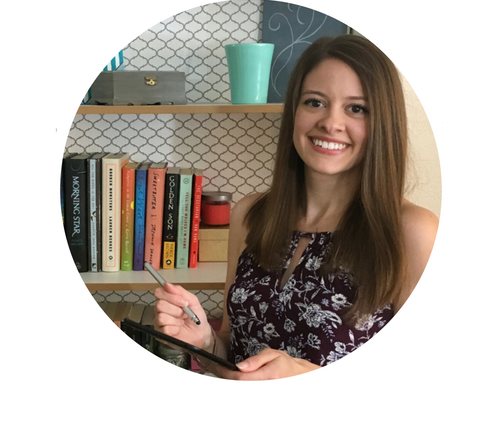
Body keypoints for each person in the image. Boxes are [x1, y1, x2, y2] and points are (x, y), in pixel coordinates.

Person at [153, 34, 439, 380]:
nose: (331, 123)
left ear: (384, 123)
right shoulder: (250, 215)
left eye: (356, 108)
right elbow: (235, 349)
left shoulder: (412, 231)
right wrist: (206, 342)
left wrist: (305, 377)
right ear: (294, 112)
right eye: (315, 102)